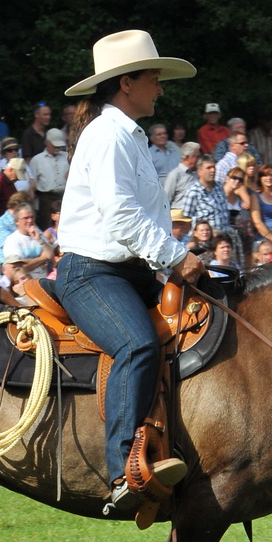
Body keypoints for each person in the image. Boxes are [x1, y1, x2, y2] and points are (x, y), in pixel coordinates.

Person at [54, 29, 206, 512]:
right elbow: (121, 217)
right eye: (153, 78)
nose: (160, 88)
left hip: (131, 272)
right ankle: (122, 472)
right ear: (126, 84)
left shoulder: (128, 137)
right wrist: (177, 256)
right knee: (137, 343)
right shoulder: (108, 136)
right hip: (92, 273)